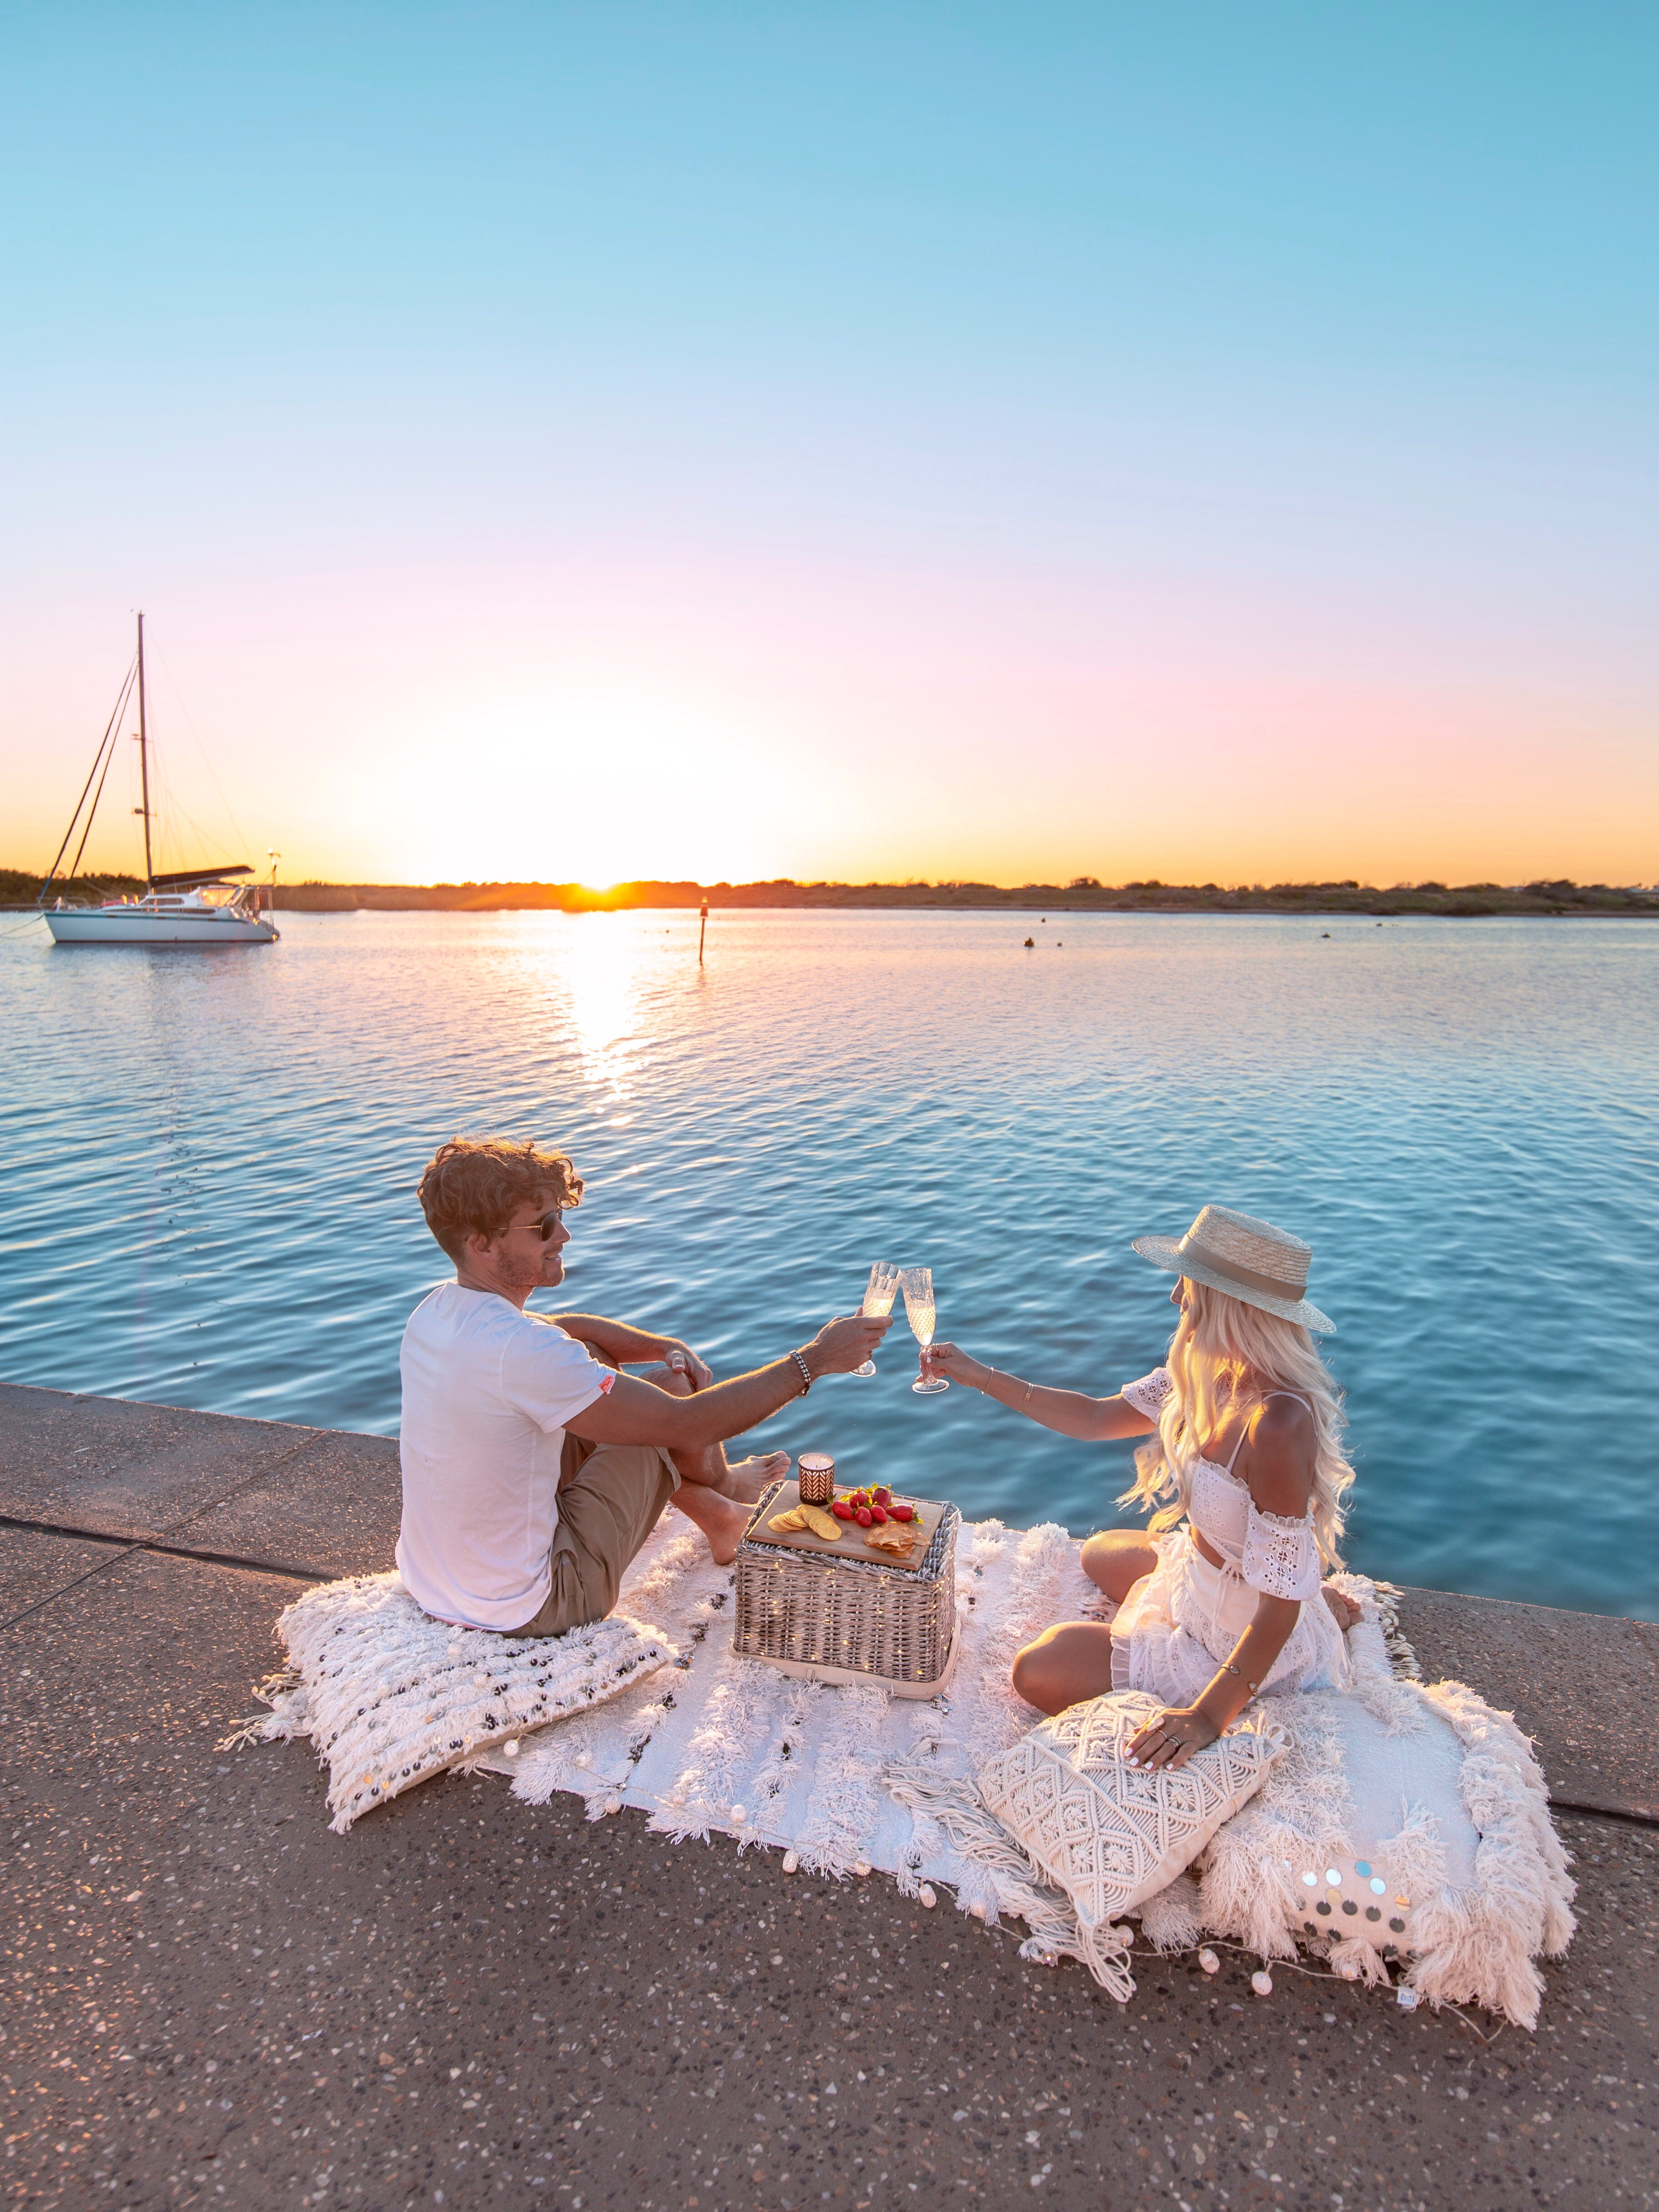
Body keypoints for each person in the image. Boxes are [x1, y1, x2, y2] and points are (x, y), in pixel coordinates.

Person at [922, 1204, 1362, 1769]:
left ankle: (1314, 1627)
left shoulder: (1277, 1424)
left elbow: (1277, 1607)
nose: (1176, 1297)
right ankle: (1321, 1609)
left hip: (1236, 1634)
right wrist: (977, 1373)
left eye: (1188, 1282)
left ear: (1227, 1301)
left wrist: (1205, 1718)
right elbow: (1094, 1418)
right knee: (1101, 1553)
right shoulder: (1211, 1375)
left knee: (1036, 1669)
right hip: (1203, 1581)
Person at [397, 1136, 889, 1639]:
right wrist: (815, 1360)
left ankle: (721, 1507)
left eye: (560, 1216)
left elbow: (566, 1327)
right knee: (662, 1413)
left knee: (613, 1368)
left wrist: (660, 1345)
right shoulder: (523, 1351)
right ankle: (723, 1503)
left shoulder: (437, 1312)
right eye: (543, 1225)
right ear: (481, 1243)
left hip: (437, 1583)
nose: (563, 1234)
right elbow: (689, 1424)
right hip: (536, 1605)